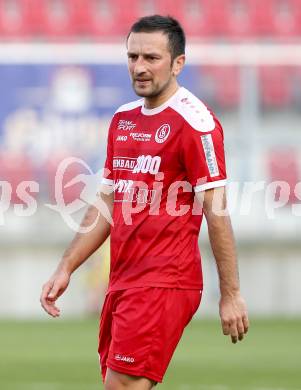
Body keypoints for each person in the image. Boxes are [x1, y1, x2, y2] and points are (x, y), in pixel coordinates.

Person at [40, 15, 249, 390]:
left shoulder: (196, 123)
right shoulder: (122, 120)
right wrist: (66, 266)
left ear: (178, 63)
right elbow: (107, 201)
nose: (139, 67)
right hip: (123, 281)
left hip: (164, 281)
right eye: (133, 56)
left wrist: (230, 295)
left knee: (121, 386)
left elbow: (216, 213)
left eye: (151, 58)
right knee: (117, 382)